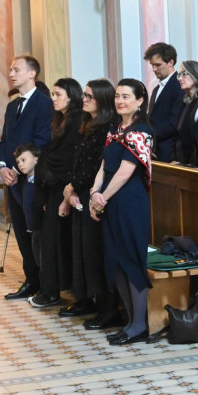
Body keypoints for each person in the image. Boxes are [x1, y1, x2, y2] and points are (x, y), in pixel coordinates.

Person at [89, 79, 153, 346]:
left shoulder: (141, 131)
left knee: (131, 262)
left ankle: (140, 325)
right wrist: (94, 193)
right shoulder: (116, 129)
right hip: (110, 199)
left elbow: (126, 173)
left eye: (126, 96)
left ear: (139, 100)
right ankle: (129, 321)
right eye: (117, 96)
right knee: (115, 262)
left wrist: (102, 196)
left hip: (130, 202)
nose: (119, 101)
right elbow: (104, 166)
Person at [0, 55, 54, 301]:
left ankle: (45, 282)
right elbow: (4, 140)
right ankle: (30, 279)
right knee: (20, 230)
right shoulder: (12, 106)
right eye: (11, 69)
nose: (12, 73)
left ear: (32, 73)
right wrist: (2, 167)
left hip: (32, 178)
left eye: (17, 69)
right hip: (12, 179)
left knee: (35, 232)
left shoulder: (44, 104)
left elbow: (42, 140)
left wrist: (20, 166)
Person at [62, 79, 119, 324]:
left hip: (97, 193)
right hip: (82, 191)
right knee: (82, 250)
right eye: (84, 95)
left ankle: (107, 309)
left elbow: (97, 165)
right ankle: (86, 299)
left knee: (96, 252)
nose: (84, 99)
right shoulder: (88, 124)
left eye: (89, 96)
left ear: (102, 101)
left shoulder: (108, 126)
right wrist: (71, 189)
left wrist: (73, 187)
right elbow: (79, 161)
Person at [30, 78, 84, 309]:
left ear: (71, 96)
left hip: (65, 187)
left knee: (55, 239)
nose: (53, 98)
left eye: (58, 94)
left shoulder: (76, 120)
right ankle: (52, 288)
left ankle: (54, 291)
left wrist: (46, 167)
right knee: (50, 238)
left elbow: (66, 157)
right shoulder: (60, 119)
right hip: (53, 185)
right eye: (52, 94)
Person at [11, 143, 44, 275]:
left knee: (44, 260)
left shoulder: (40, 182)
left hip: (41, 228)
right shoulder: (26, 183)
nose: (20, 164)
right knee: (38, 260)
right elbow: (24, 204)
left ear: (36, 159)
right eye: (18, 162)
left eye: (23, 160)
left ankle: (48, 291)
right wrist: (14, 187)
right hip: (33, 229)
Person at [173, 59, 198, 164]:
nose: (180, 78)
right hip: (181, 160)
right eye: (179, 75)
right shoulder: (185, 101)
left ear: (196, 74)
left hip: (195, 162)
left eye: (184, 74)